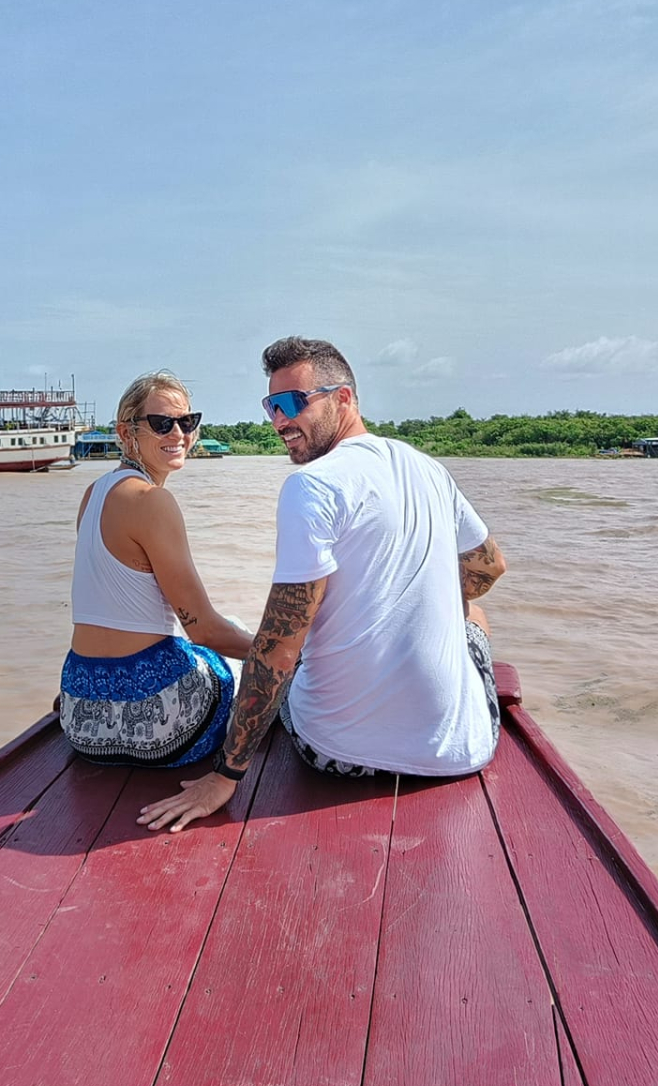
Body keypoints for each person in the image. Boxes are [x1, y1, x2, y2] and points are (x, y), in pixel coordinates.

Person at [138, 336, 507, 831]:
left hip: (338, 755)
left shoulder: (312, 486)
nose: (278, 421)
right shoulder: (429, 470)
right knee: (473, 615)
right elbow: (488, 568)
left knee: (294, 651)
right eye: (270, 406)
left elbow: (279, 646)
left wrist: (226, 775)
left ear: (344, 399)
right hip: (461, 750)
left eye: (292, 403)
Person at [59, 371, 254, 767]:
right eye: (162, 423)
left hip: (81, 719)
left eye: (187, 421)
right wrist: (287, 655)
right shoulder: (152, 501)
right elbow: (204, 630)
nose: (179, 433)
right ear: (126, 432)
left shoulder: (91, 494)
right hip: (161, 728)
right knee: (244, 653)